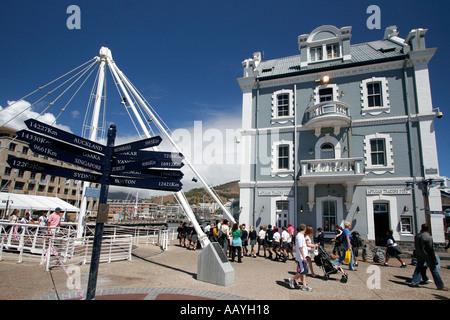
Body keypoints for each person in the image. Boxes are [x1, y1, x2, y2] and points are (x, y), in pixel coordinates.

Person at [411, 224, 448, 290]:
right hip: (427, 255)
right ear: (428, 229)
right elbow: (431, 249)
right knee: (434, 270)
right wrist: (435, 259)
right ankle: (440, 286)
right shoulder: (428, 237)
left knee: (418, 268)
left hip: (419, 254)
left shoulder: (417, 236)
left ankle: (414, 282)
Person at [288, 224, 313, 292]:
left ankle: (304, 285)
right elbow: (300, 247)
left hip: (304, 255)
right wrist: (303, 256)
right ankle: (292, 279)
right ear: (304, 229)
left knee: (304, 272)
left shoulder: (301, 236)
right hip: (302, 257)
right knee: (302, 271)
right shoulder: (299, 236)